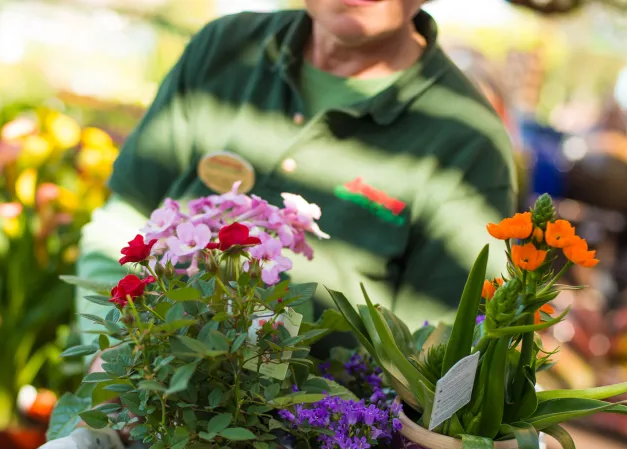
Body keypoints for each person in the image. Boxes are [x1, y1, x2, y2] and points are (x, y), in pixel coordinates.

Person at [77, 1, 516, 357]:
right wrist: (116, 353)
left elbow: (437, 354)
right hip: (143, 398)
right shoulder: (225, 47)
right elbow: (122, 223)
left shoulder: (467, 141)